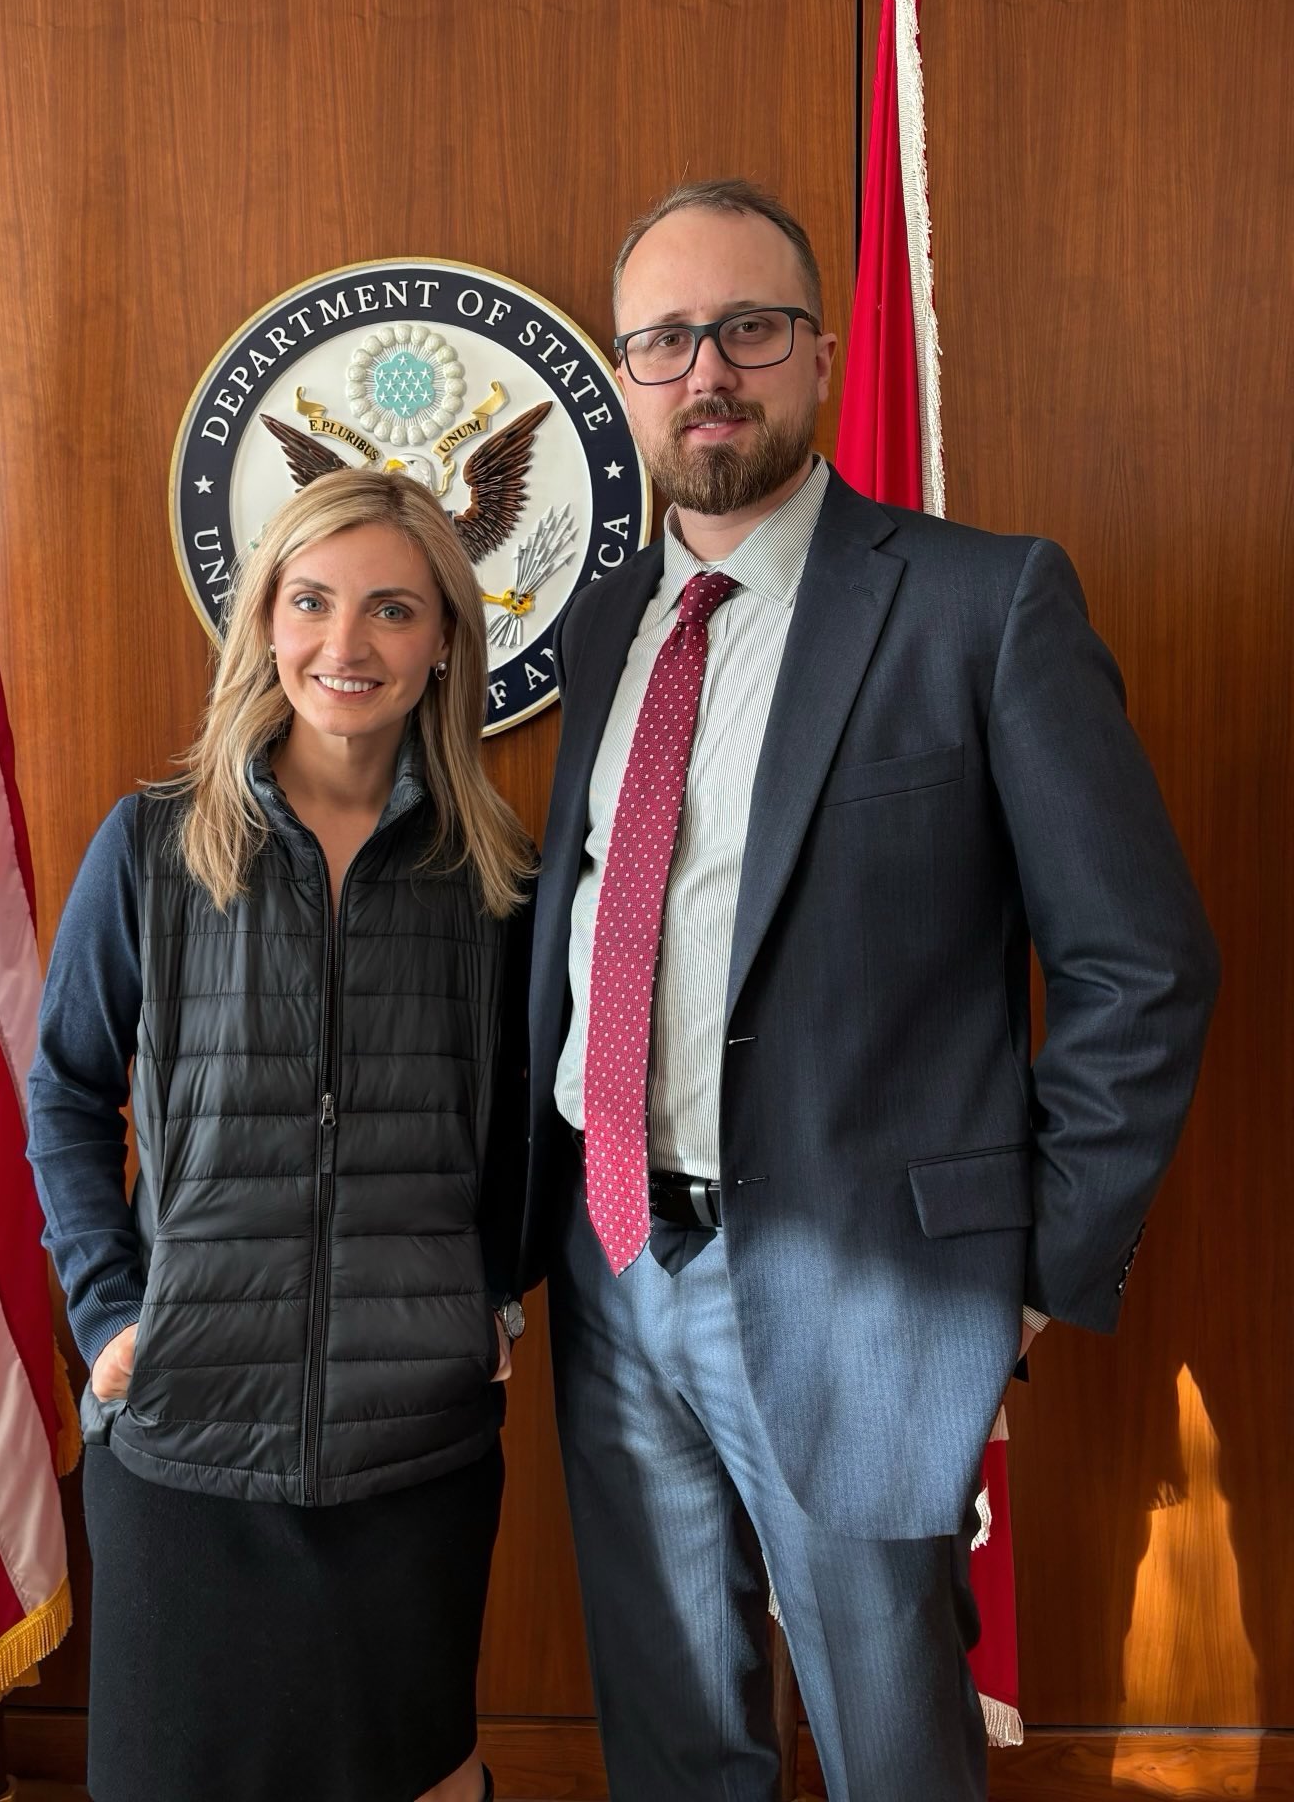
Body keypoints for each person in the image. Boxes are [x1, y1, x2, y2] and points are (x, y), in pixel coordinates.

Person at [521, 177, 1219, 1801]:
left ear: (819, 354)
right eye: (667, 340)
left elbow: (1142, 961)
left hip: (866, 1300)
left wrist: (1031, 1265)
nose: (710, 372)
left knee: (894, 1752)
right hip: (613, 1260)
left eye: (749, 330)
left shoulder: (985, 604)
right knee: (673, 1741)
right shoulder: (615, 616)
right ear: (624, 375)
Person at [28, 469, 534, 1802]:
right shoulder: (152, 846)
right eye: (310, 602)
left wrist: (488, 1294)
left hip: (412, 1442)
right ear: (264, 621)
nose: (345, 645)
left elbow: (545, 1124)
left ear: (440, 646)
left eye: (390, 610)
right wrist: (108, 1310)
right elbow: (65, 1091)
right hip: (186, 1422)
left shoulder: (495, 880)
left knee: (418, 1772)